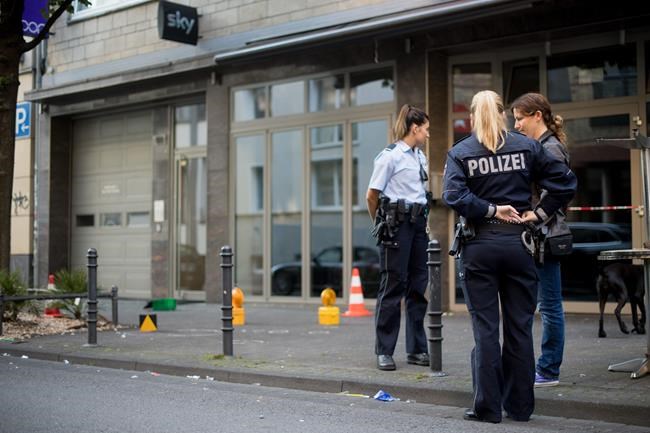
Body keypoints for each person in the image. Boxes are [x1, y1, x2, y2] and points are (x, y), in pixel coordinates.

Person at [442, 90, 576, 423]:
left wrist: (489, 209)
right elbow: (565, 182)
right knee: (519, 327)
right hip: (519, 245)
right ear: (503, 113)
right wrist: (539, 214)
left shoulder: (461, 152)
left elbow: (453, 195)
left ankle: (488, 408)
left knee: (486, 328)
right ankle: (520, 407)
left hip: (479, 246)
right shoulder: (527, 147)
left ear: (473, 116)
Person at [511, 92, 571, 388]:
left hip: (546, 237)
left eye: (520, 118)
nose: (516, 125)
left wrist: (535, 215)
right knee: (544, 305)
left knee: (549, 306)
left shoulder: (551, 149)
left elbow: (558, 193)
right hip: (538, 237)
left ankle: (548, 370)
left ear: (537, 115)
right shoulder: (539, 147)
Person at [366, 104, 431, 371]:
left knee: (418, 286)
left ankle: (416, 350)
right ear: (414, 128)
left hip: (418, 225)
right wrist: (380, 224)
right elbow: (372, 195)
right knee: (393, 286)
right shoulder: (389, 156)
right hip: (397, 225)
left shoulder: (420, 157)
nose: (427, 134)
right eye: (425, 129)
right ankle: (384, 350)